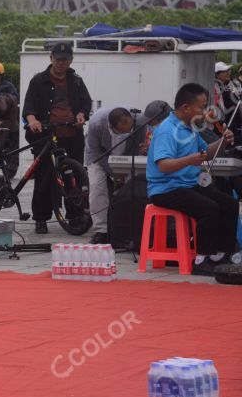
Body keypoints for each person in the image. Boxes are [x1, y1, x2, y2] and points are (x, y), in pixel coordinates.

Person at [147, 83, 238, 276]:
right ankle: (202, 259)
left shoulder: (190, 128)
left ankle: (223, 254)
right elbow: (164, 165)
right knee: (209, 208)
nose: (204, 111)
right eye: (202, 106)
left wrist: (223, 141)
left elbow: (206, 154)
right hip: (165, 189)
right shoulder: (167, 130)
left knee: (229, 203)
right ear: (186, 107)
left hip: (187, 185)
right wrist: (190, 159)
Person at [22, 42, 92, 234]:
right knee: (44, 176)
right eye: (59, 59)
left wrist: (81, 115)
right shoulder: (38, 81)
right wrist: (32, 120)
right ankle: (41, 218)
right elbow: (28, 107)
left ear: (71, 61)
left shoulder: (76, 80)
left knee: (74, 176)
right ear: (51, 58)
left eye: (66, 59)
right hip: (45, 135)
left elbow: (86, 104)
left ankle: (75, 215)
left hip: (72, 133)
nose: (62, 63)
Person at [84, 101, 170, 244]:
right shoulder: (96, 124)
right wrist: (112, 172)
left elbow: (138, 145)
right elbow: (95, 151)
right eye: (123, 131)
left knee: (135, 185)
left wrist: (142, 151)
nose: (128, 131)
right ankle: (101, 230)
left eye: (129, 128)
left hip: (128, 154)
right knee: (97, 187)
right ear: (112, 127)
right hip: (100, 155)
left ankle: (132, 227)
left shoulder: (138, 120)